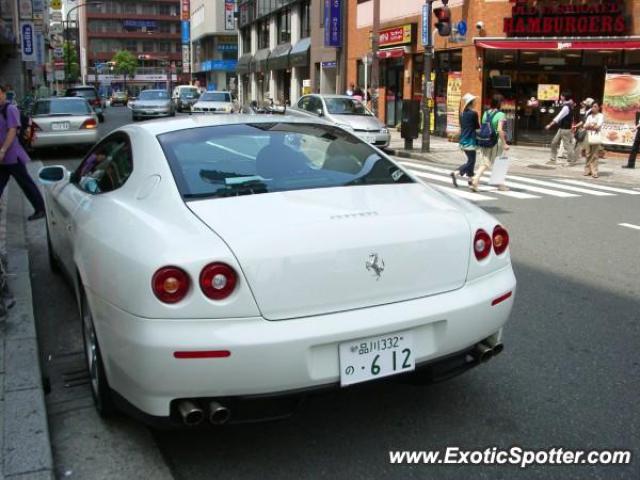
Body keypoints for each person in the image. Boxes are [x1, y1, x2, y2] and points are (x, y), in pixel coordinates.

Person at [0, 84, 45, 220]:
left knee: (25, 183)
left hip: (13, 155)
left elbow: (12, 131)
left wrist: (3, 150)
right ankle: (40, 208)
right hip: (3, 157)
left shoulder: (10, 109)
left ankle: (40, 209)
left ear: (3, 94)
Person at [470, 94, 509, 192]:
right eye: (502, 102)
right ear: (500, 103)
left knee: (485, 161)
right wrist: (504, 143)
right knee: (498, 162)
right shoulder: (501, 115)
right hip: (495, 141)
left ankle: (497, 184)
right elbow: (500, 130)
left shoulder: (486, 113)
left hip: (485, 140)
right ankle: (476, 179)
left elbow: (483, 126)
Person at [450, 93, 479, 188]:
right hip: (470, 140)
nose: (475, 103)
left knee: (471, 160)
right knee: (471, 161)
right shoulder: (473, 114)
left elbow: (462, 127)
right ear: (471, 103)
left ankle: (470, 180)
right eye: (474, 101)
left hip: (463, 140)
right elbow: (477, 127)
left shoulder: (462, 113)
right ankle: (456, 172)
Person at [545, 91, 576, 166]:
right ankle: (552, 159)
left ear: (564, 97)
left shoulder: (566, 107)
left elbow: (558, 117)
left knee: (567, 145)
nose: (560, 97)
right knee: (554, 143)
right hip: (561, 128)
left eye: (561, 96)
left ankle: (571, 161)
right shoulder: (567, 105)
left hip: (565, 129)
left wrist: (550, 124)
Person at [582, 101, 604, 178]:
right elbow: (584, 126)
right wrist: (592, 125)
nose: (593, 108)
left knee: (595, 154)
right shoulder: (589, 116)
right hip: (588, 135)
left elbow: (598, 126)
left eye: (595, 106)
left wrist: (590, 125)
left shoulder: (600, 115)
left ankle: (594, 171)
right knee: (588, 153)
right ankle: (587, 170)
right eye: (592, 106)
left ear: (598, 107)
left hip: (596, 136)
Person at [572, 97, 595, 164]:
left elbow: (587, 122)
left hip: (586, 130)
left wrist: (583, 127)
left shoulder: (591, 112)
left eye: (586, 103)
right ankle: (575, 159)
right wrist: (576, 126)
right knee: (579, 144)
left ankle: (574, 160)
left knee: (580, 145)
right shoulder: (587, 111)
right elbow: (583, 121)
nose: (584, 104)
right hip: (583, 129)